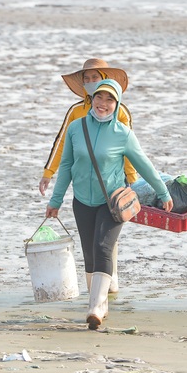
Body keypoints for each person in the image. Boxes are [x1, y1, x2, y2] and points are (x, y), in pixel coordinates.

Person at [45, 79, 173, 330]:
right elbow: (67, 166)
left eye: (110, 100)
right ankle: (100, 303)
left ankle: (94, 307)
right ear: (91, 99)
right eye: (99, 98)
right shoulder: (76, 127)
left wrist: (163, 192)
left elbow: (144, 164)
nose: (103, 104)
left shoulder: (123, 134)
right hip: (82, 200)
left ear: (117, 104)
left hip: (111, 201)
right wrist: (56, 200)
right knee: (90, 254)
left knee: (103, 247)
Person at [39, 58, 136, 294]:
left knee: (106, 234)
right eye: (87, 79)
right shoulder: (75, 111)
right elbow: (62, 143)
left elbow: (130, 149)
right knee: (91, 235)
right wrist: (48, 173)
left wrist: (134, 182)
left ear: (106, 80)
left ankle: (108, 279)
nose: (92, 83)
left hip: (113, 181)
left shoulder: (120, 110)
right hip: (84, 182)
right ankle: (98, 287)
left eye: (96, 78)